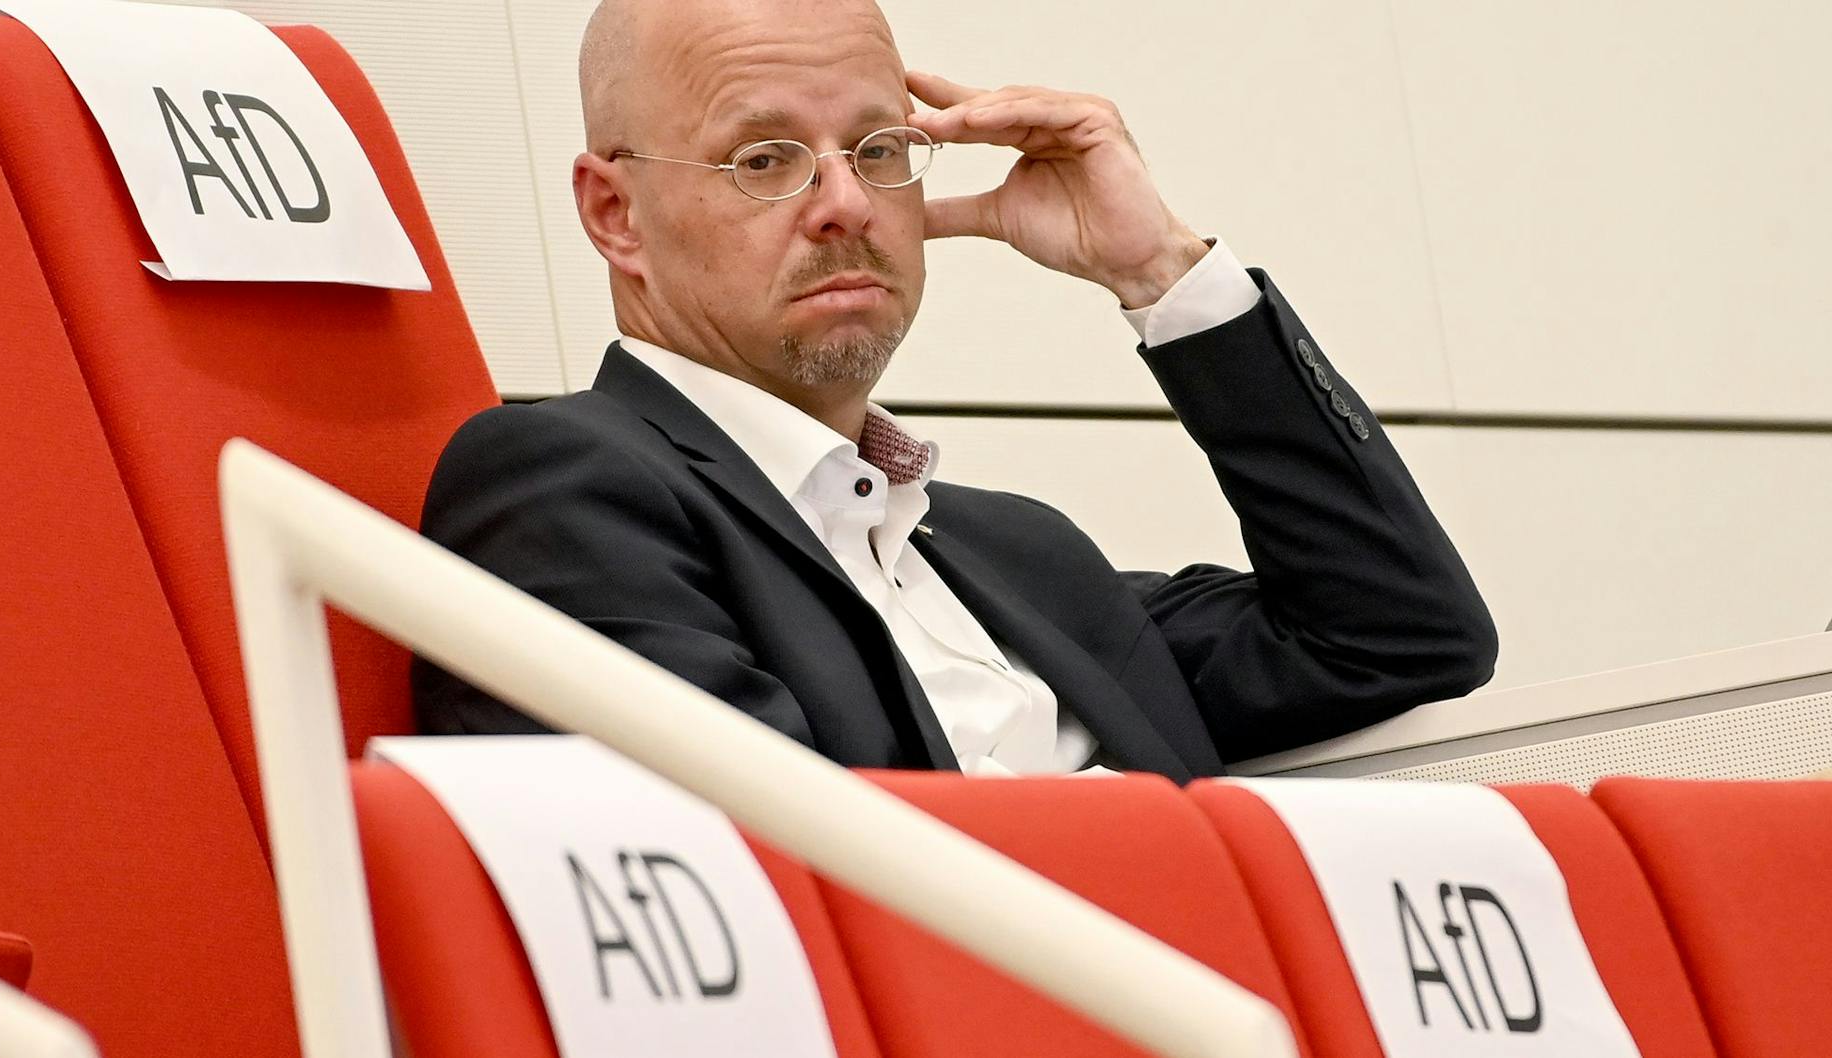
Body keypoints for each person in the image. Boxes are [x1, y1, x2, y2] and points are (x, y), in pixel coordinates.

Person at [412, 0, 1497, 780]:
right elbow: (768, 882)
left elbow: (1398, 635)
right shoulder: (566, 485)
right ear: (614, 214)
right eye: (764, 159)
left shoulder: (1021, 554)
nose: (845, 201)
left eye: (879, 148)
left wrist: (1158, 270)